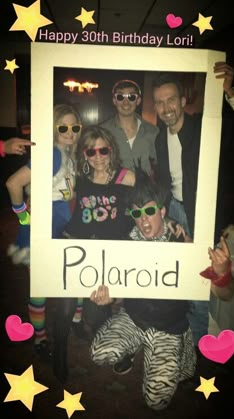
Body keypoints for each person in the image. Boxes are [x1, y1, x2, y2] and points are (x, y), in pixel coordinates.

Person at [89, 172, 234, 412]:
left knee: (156, 402)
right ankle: (137, 345)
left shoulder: (182, 243)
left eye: (149, 211)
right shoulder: (126, 243)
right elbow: (118, 287)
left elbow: (225, 294)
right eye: (136, 213)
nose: (143, 220)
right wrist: (108, 297)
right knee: (98, 353)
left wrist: (221, 272)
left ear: (163, 212)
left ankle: (181, 348)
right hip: (134, 319)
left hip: (168, 327)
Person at [152, 61, 234, 345]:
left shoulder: (206, 127)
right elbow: (164, 181)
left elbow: (232, 124)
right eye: (160, 103)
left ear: (183, 100)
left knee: (202, 278)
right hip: (173, 209)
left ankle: (199, 342)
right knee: (177, 275)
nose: (166, 108)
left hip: (201, 212)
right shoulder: (157, 140)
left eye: (171, 100)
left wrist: (229, 94)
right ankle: (177, 336)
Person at [53, 125, 136, 383]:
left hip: (108, 256)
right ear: (84, 154)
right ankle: (58, 354)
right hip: (76, 249)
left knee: (96, 313)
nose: (97, 156)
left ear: (111, 148)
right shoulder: (79, 178)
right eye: (91, 151)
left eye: (103, 149)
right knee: (65, 308)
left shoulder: (127, 177)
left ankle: (116, 345)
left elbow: (149, 204)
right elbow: (58, 197)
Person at [5, 104, 83, 361]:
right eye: (63, 128)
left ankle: (72, 320)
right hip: (41, 233)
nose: (70, 132)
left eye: (75, 127)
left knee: (64, 278)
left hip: (59, 230)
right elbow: (13, 183)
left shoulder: (67, 154)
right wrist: (24, 217)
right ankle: (40, 340)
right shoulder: (52, 154)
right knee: (40, 288)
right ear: (53, 130)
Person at [101, 79, 158, 175]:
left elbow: (160, 166)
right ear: (114, 101)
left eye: (131, 97)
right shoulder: (102, 132)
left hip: (146, 189)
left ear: (138, 101)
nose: (125, 102)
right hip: (113, 189)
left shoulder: (153, 132)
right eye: (120, 97)